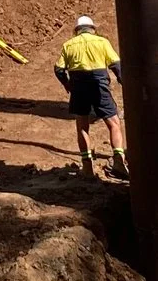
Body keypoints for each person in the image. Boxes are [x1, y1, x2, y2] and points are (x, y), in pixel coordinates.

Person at [54, 15, 127, 179]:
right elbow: (116, 65)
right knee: (114, 123)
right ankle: (119, 161)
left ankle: (87, 168)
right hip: (98, 84)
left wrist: (68, 85)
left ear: (77, 31)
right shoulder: (102, 42)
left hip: (79, 86)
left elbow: (58, 69)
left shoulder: (68, 45)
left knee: (82, 125)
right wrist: (124, 83)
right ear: (93, 29)